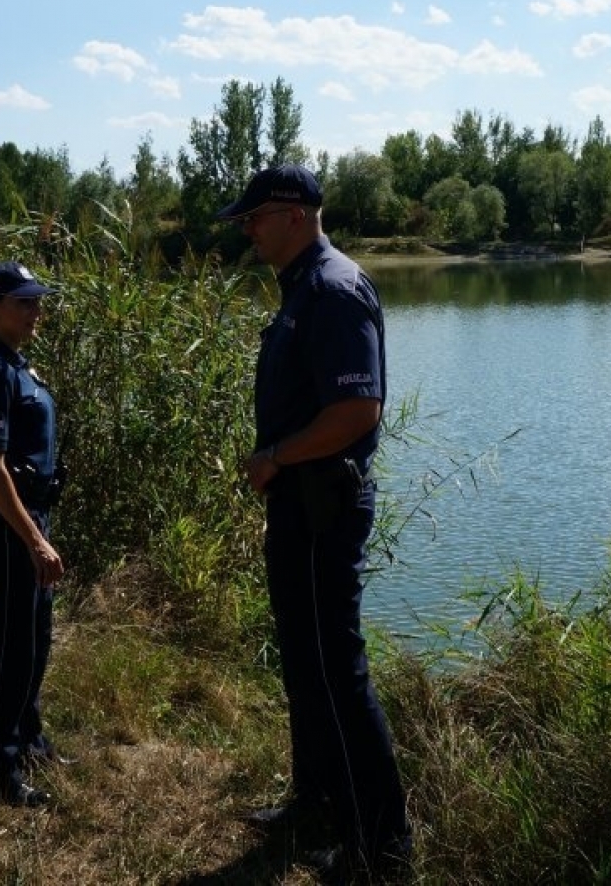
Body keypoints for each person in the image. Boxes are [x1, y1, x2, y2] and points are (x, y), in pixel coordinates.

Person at [221, 165, 413, 877]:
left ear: (296, 214)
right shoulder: (303, 286)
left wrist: (275, 455)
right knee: (304, 661)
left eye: (255, 218)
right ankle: (317, 802)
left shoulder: (332, 290)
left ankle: (381, 844)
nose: (247, 229)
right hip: (299, 505)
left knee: (337, 668)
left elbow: (358, 411)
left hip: (322, 504)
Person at [0, 260, 68, 808]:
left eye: (37, 300)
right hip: (10, 530)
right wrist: (33, 539)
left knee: (36, 640)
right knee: (9, 652)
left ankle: (27, 739)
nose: (36, 310)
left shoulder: (15, 363)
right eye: (24, 302)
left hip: (30, 522)